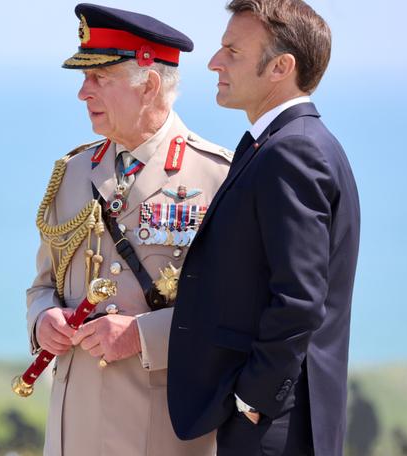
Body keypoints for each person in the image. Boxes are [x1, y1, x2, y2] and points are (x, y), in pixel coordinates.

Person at [26, 4, 232, 455]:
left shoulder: (218, 177)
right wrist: (43, 320)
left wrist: (141, 335)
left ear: (150, 85)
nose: (83, 93)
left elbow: (235, 313)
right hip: (73, 428)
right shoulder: (73, 172)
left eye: (99, 78)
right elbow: (44, 284)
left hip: (161, 431)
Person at [166, 1, 360, 455]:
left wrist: (252, 400)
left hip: (275, 427)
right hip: (280, 421)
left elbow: (299, 301)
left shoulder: (292, 152)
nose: (214, 62)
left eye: (232, 51)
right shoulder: (289, 144)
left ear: (280, 67)